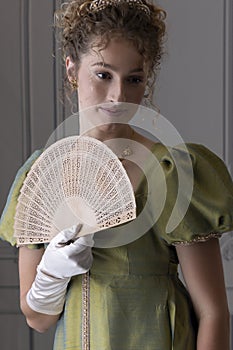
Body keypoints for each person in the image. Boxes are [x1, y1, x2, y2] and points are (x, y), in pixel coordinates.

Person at [1, 0, 233, 349]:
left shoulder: (171, 173)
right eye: (103, 74)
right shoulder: (40, 177)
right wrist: (53, 272)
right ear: (71, 69)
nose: (118, 95)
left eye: (134, 79)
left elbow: (213, 311)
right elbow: (39, 319)